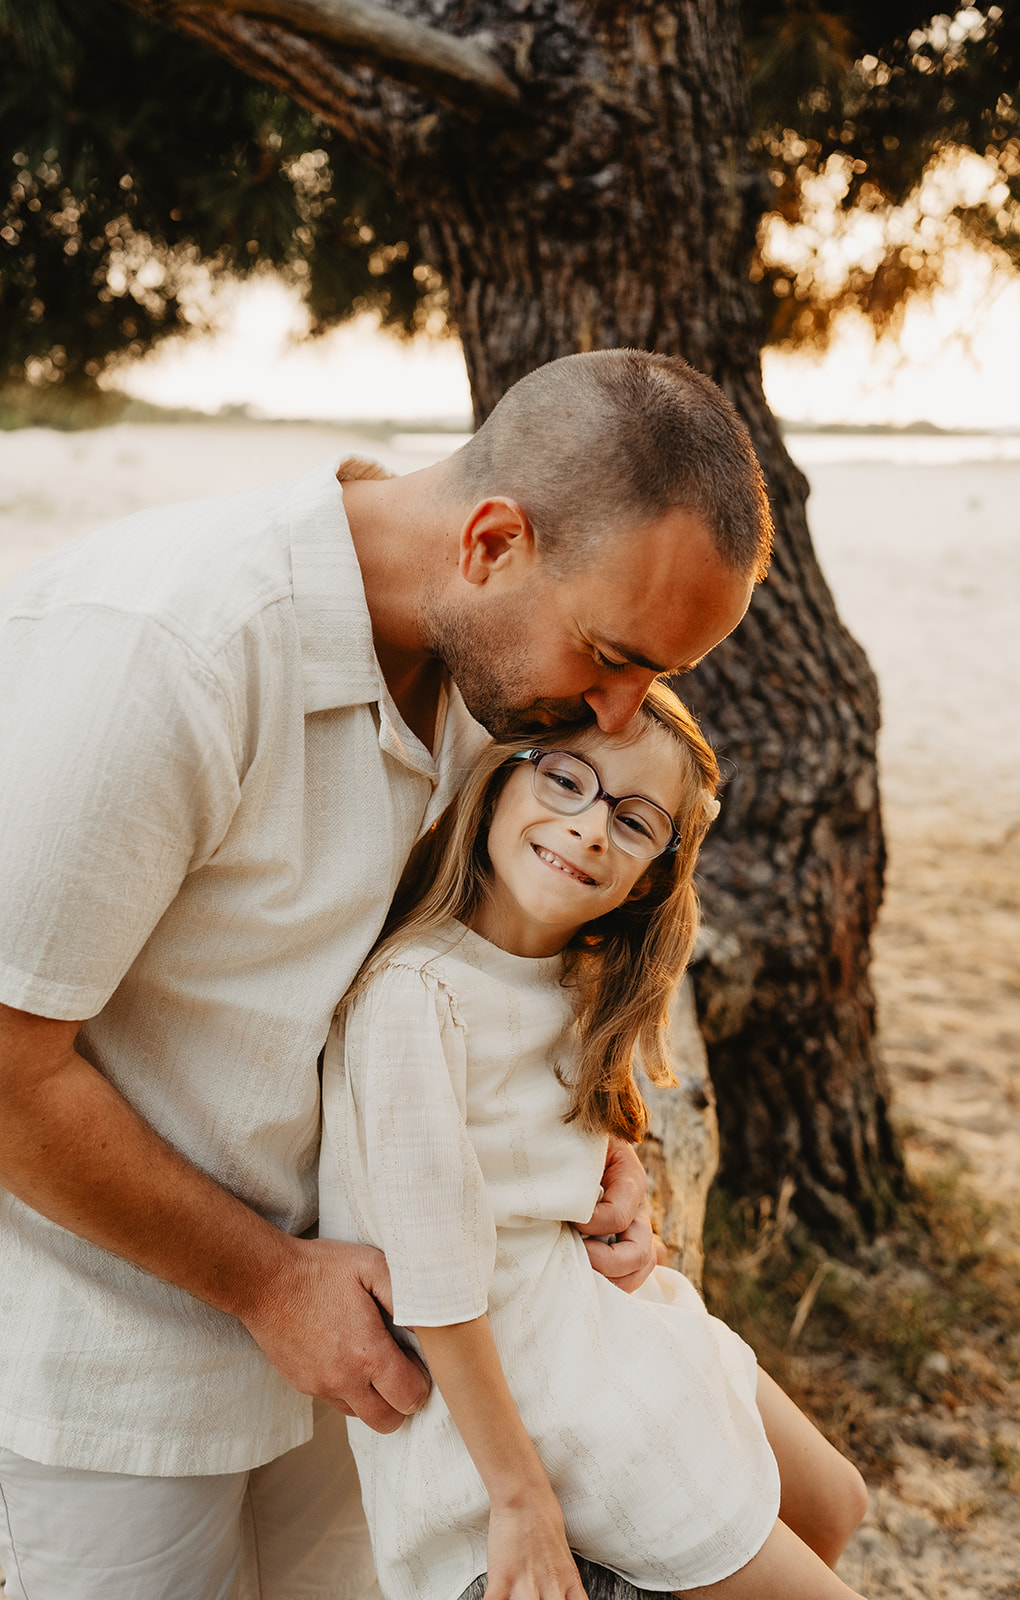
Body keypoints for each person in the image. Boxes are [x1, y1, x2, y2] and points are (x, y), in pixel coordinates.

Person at [0, 349, 773, 1599]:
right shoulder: (168, 652)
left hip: (378, 1363)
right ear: (489, 540)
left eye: (654, 680)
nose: (620, 713)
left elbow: (459, 981)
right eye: (609, 654)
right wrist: (262, 1280)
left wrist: (591, 1149)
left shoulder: (504, 680)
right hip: (108, 1374)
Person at [320, 681, 869, 1600]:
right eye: (566, 779)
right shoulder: (417, 995)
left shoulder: (574, 981)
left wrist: (621, 1191)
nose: (586, 828)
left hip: (593, 1318)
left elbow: (553, 1157)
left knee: (832, 1502)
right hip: (521, 1390)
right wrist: (517, 1495)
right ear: (499, 785)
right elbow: (436, 1283)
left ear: (651, 874)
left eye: (633, 820)